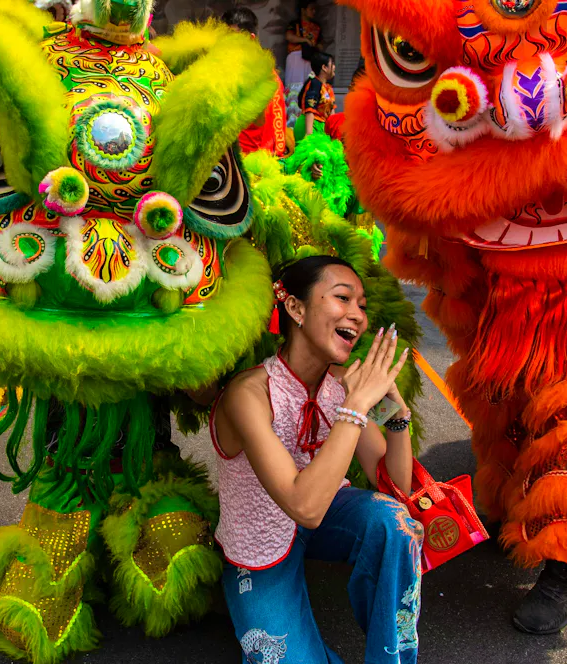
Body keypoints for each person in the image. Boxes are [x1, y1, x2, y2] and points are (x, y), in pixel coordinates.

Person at [211, 255, 422, 664]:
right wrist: (356, 406)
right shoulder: (248, 394)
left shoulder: (343, 386)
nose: (357, 316)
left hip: (327, 513)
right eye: (343, 298)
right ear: (295, 308)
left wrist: (398, 418)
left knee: (394, 523)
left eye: (361, 305)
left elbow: (395, 485)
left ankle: (391, 657)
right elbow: (302, 506)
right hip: (258, 540)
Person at [222, 7, 287, 157]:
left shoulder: (268, 78)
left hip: (255, 167)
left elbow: (278, 138)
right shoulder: (225, 72)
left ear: (250, 38)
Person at [296, 50, 336, 142]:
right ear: (324, 67)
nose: (334, 67)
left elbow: (332, 112)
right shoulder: (315, 84)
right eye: (332, 64)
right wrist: (309, 135)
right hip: (311, 126)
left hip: (321, 128)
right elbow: (310, 110)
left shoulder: (328, 88)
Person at [285, 0, 322, 88]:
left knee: (308, 87)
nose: (314, 12)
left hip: (311, 58)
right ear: (303, 10)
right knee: (294, 86)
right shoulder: (295, 24)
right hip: (296, 58)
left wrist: (314, 47)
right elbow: (289, 36)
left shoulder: (316, 27)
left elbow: (320, 44)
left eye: (315, 9)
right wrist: (305, 40)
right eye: (311, 9)